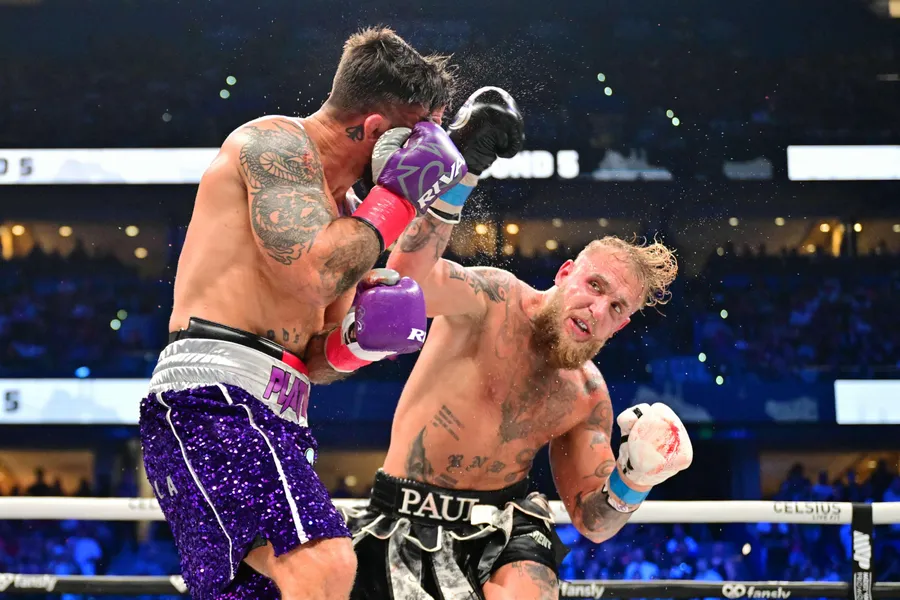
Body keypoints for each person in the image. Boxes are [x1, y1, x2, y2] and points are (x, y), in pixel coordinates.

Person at [138, 27, 469, 600]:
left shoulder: (345, 211)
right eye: (420, 136)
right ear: (376, 130)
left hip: (280, 411)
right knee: (324, 564)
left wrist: (358, 343)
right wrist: (398, 198)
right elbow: (317, 272)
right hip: (213, 400)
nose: (428, 149)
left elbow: (315, 358)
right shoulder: (275, 147)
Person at [343, 88, 693, 600]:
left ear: (620, 326)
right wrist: (464, 174)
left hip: (504, 524)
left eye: (617, 308)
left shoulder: (586, 394)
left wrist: (635, 481)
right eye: (595, 286)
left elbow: (592, 521)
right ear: (566, 273)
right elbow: (406, 280)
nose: (598, 309)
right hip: (403, 511)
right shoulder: (493, 298)